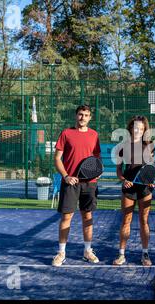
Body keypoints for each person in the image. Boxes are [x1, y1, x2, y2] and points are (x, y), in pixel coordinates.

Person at [52, 104, 101, 267]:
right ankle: (61, 253)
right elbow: (57, 158)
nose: (83, 118)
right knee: (66, 217)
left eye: (86, 115)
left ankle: (87, 251)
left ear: (90, 117)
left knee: (87, 217)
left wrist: (98, 171)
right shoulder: (66, 133)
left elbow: (97, 158)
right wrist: (66, 176)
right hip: (70, 183)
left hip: (90, 184)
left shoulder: (94, 135)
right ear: (76, 116)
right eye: (80, 114)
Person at [113, 116, 155, 266]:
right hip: (129, 187)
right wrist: (124, 180)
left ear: (145, 130)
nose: (138, 130)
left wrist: (152, 181)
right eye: (135, 127)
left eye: (141, 128)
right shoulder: (122, 146)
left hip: (145, 188)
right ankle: (121, 254)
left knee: (144, 221)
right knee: (126, 220)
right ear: (130, 128)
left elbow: (152, 167)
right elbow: (118, 170)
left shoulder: (150, 145)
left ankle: (145, 254)